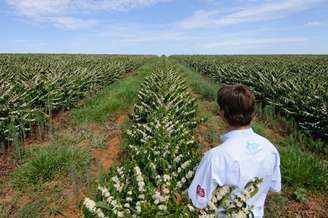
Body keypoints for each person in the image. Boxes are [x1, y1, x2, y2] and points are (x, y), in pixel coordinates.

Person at [188, 84, 281, 217]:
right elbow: (273, 187)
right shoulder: (270, 148)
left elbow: (197, 202)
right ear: (254, 114)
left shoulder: (215, 157)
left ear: (222, 114)